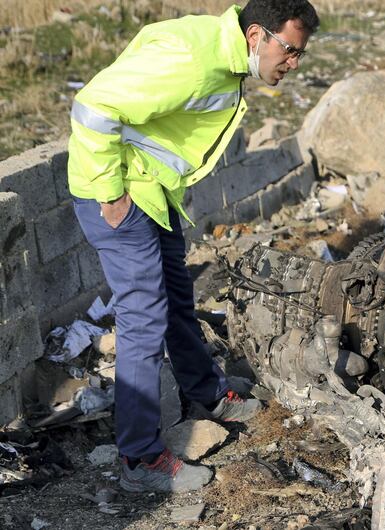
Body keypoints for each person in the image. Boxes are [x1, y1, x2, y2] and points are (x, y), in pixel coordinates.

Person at [67, 0, 319, 493]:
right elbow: (93, 107)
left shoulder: (221, 53)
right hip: (118, 193)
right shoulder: (192, 58)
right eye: (289, 50)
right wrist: (111, 194)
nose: (293, 64)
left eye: (299, 54)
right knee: (143, 319)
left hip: (149, 190)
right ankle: (140, 460)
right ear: (255, 36)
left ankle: (207, 391)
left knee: (178, 299)